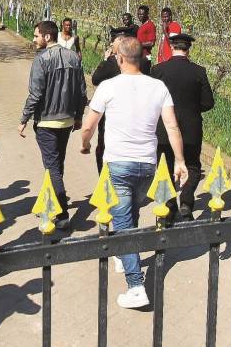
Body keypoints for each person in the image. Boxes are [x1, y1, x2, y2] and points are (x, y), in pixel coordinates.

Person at [79, 37, 188, 309]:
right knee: (130, 213)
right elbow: (172, 127)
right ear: (142, 58)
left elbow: (89, 125)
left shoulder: (108, 86)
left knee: (124, 222)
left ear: (118, 59)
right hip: (147, 164)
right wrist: (180, 160)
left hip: (118, 163)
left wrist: (84, 143)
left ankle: (136, 284)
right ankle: (125, 253)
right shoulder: (158, 86)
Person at [19, 21, 87, 229]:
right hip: (66, 120)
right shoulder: (74, 58)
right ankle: (54, 200)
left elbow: (36, 93)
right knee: (58, 164)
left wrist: (24, 118)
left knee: (52, 167)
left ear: (47, 37)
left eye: (36, 35)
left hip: (47, 121)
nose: (33, 39)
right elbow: (82, 92)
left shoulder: (41, 60)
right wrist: (77, 116)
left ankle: (62, 214)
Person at [151, 33, 214, 222]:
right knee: (193, 165)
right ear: (188, 49)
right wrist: (193, 108)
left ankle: (170, 207)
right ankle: (186, 203)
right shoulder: (199, 71)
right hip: (191, 127)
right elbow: (208, 103)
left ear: (171, 47)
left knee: (166, 166)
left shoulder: (158, 70)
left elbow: (151, 100)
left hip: (164, 129)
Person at [91, 27, 151, 173]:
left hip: (112, 114)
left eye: (114, 41)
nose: (112, 44)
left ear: (121, 42)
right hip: (137, 113)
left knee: (104, 148)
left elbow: (95, 79)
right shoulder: (143, 62)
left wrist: (104, 60)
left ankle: (105, 181)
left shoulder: (112, 62)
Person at [136, 5, 156, 70]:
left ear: (147, 14)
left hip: (145, 57)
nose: (139, 16)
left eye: (142, 14)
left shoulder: (150, 25)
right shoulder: (142, 25)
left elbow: (151, 43)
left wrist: (137, 44)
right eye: (138, 14)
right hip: (139, 56)